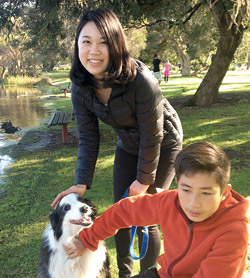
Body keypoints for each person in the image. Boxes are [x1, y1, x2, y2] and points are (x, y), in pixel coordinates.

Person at [51, 8, 183, 278]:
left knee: (147, 213)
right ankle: (125, 274)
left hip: (163, 143)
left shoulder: (141, 81)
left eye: (103, 42)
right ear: (77, 45)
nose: (94, 51)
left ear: (116, 45)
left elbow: (152, 135)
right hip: (128, 144)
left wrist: (143, 180)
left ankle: (148, 273)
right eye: (86, 41)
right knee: (120, 212)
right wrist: (81, 181)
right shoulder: (80, 87)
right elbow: (88, 138)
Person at [64, 141, 249, 278]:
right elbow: (125, 210)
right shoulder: (170, 202)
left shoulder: (233, 231)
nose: (193, 203)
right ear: (177, 184)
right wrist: (87, 238)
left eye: (206, 193)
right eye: (186, 190)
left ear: (224, 192)